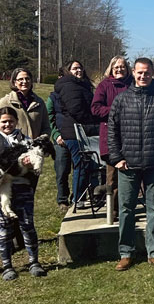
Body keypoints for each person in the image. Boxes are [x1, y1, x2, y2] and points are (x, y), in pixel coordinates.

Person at [108, 58, 154, 271]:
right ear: (133, 73)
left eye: (147, 72)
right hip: (128, 165)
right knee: (126, 209)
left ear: (152, 73)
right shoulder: (122, 99)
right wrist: (116, 158)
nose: (143, 76)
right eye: (139, 72)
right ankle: (126, 253)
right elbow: (112, 130)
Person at [0, 107, 47, 281]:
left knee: (27, 225)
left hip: (23, 188)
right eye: (3, 121)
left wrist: (31, 166)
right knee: (5, 227)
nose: (7, 124)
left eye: (11, 121)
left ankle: (34, 262)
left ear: (16, 122)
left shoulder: (27, 141)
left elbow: (38, 162)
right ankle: (7, 266)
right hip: (2, 190)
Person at [91, 56, 132, 220]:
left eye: (122, 67)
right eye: (116, 67)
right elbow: (95, 108)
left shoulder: (132, 84)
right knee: (112, 177)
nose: (119, 69)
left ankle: (127, 209)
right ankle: (112, 211)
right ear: (111, 69)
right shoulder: (104, 85)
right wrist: (116, 110)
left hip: (131, 137)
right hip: (110, 137)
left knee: (130, 176)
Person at [54, 60, 99, 207]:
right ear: (68, 71)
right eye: (74, 68)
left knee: (87, 165)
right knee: (81, 165)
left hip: (83, 130)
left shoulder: (81, 85)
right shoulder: (69, 85)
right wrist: (95, 122)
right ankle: (78, 198)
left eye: (80, 67)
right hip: (74, 131)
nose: (78, 70)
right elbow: (76, 109)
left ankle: (85, 196)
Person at [0, 68, 50, 139]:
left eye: (27, 79)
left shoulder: (39, 102)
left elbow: (46, 128)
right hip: (12, 145)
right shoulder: (5, 102)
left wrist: (40, 140)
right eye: (20, 79)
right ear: (14, 82)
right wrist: (10, 141)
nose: (25, 81)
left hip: (35, 145)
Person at [47, 68, 73, 212]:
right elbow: (49, 118)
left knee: (80, 170)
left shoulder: (79, 93)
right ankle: (63, 199)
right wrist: (56, 135)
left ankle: (77, 198)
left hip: (77, 139)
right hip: (61, 141)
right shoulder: (53, 98)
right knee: (62, 171)